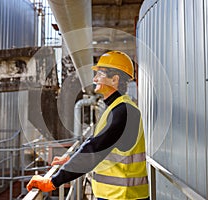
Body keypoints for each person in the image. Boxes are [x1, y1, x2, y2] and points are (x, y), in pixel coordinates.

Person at [27, 51, 149, 200]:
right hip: (117, 195)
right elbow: (96, 142)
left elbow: (94, 149)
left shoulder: (123, 111)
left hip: (123, 196)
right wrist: (71, 158)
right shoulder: (115, 108)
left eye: (100, 74)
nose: (95, 78)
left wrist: (53, 181)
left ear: (114, 79)